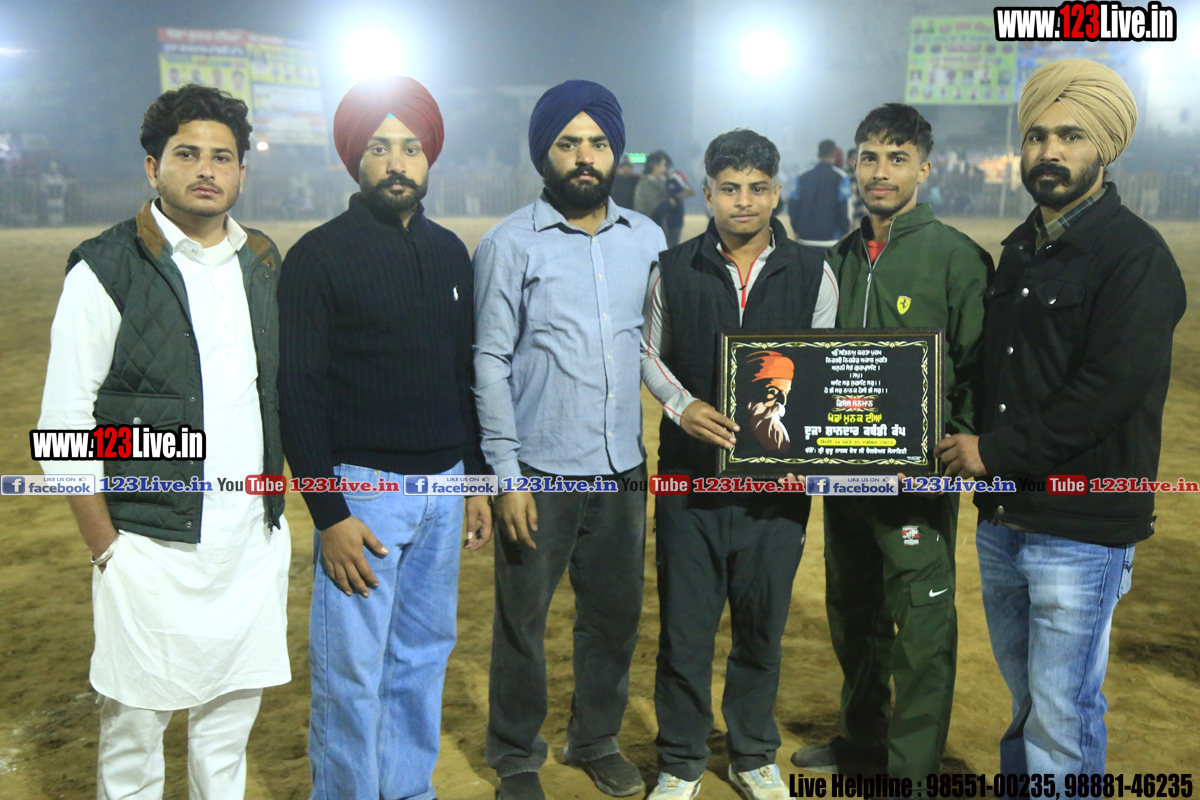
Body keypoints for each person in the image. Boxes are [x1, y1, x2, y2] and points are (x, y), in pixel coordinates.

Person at [36, 84, 290, 800]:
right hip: (147, 547)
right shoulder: (104, 268)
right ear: (153, 167)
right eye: (187, 154)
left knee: (226, 732)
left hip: (248, 544)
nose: (206, 169)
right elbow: (63, 425)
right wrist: (107, 548)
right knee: (134, 734)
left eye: (222, 157)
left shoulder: (261, 260)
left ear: (241, 171)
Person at [935, 59, 1185, 779]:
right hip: (1006, 520)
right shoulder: (1020, 249)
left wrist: (993, 453)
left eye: (1071, 136)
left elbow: (1108, 393)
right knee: (1029, 703)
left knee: (1061, 713)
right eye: (1037, 136)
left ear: (1104, 147)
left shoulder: (1135, 257)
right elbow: (996, 374)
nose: (1049, 151)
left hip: (1080, 527)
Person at [278, 75, 492, 800]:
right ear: (354, 159)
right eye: (378, 147)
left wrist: (476, 481)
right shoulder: (317, 256)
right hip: (363, 497)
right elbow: (298, 393)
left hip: (445, 492)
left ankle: (408, 791)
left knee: (423, 659)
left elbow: (462, 375)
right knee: (350, 675)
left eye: (410, 147)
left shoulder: (451, 252)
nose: (396, 162)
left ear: (429, 157)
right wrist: (328, 513)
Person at [474, 79, 665, 800]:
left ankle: (596, 739)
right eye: (568, 143)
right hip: (539, 470)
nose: (585, 156)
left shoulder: (647, 239)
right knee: (523, 621)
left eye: (598, 143)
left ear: (616, 152)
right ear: (544, 154)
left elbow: (651, 349)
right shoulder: (508, 244)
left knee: (613, 619)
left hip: (622, 468)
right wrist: (506, 475)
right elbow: (489, 361)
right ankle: (515, 754)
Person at [793, 104, 991, 779]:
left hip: (916, 482)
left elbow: (978, 367)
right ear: (853, 163)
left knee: (922, 625)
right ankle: (860, 741)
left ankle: (912, 771)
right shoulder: (837, 260)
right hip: (845, 477)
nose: (881, 171)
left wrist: (954, 444)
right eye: (870, 156)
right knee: (853, 613)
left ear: (923, 169)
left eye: (897, 158)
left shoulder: (957, 258)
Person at [641, 128, 838, 800]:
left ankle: (752, 753)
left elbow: (826, 367)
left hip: (776, 492)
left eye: (757, 188)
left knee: (761, 628)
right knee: (684, 632)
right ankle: (680, 759)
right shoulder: (672, 268)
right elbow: (649, 352)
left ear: (777, 192)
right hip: (688, 484)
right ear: (708, 193)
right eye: (730, 189)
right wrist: (683, 406)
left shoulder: (814, 271)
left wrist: (810, 449)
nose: (744, 201)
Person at [787, 139, 851, 247]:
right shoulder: (841, 176)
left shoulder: (802, 176)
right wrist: (845, 230)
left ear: (818, 154)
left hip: (805, 238)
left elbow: (793, 204)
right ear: (834, 154)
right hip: (832, 238)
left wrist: (796, 229)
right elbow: (844, 206)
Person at [634, 149, 671, 225]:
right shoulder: (644, 185)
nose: (665, 168)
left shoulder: (664, 181)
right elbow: (646, 208)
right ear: (656, 167)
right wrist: (668, 204)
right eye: (663, 165)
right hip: (647, 225)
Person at [663, 162, 695, 247]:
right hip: (659, 216)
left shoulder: (676, 176)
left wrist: (675, 197)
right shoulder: (654, 176)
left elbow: (690, 191)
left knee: (672, 244)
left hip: (675, 216)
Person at [41, 160, 66, 225]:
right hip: (50, 197)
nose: (53, 170)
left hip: (59, 197)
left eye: (54, 168)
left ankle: (59, 222)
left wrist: (61, 194)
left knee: (59, 210)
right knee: (51, 210)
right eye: (52, 168)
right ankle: (52, 223)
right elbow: (43, 187)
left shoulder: (60, 177)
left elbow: (64, 186)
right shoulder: (46, 177)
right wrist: (47, 193)